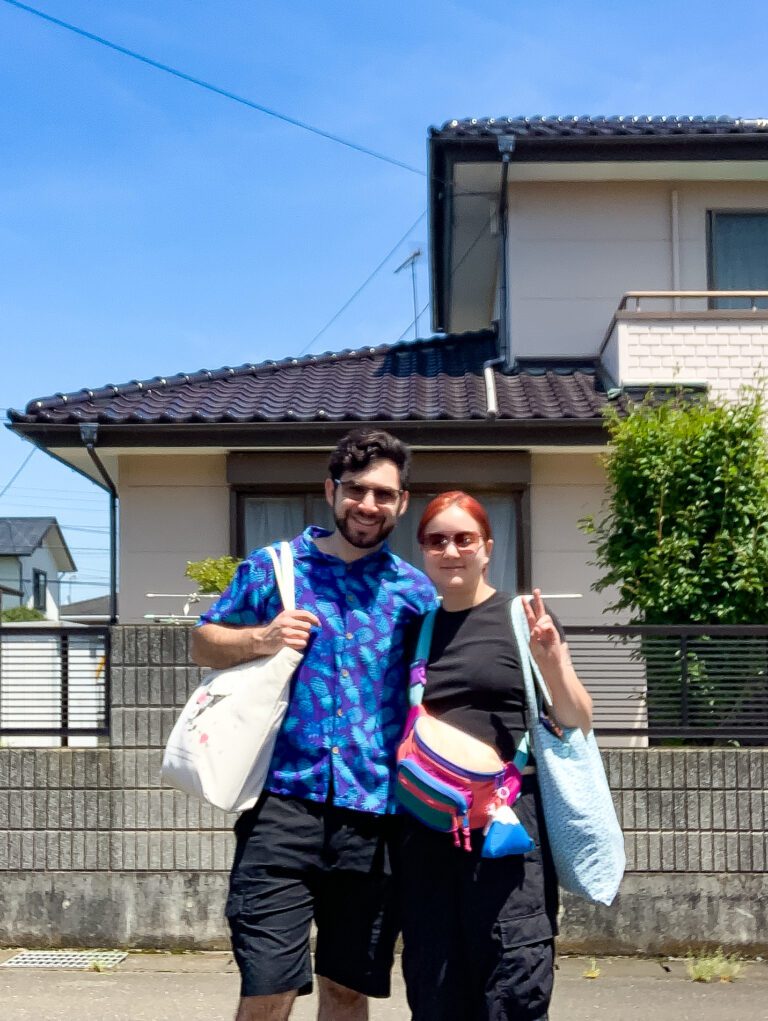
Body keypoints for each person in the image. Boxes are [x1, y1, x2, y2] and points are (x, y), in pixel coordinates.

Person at [191, 429, 436, 1021]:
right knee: (267, 987)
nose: (368, 506)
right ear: (332, 490)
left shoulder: (413, 591)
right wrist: (260, 637)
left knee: (348, 989)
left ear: (402, 503)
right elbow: (203, 640)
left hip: (374, 812)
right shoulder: (273, 568)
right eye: (356, 490)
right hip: (281, 806)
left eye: (384, 494)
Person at [395, 490, 593, 1021]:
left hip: (506, 832)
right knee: (434, 986)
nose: (451, 550)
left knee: (513, 985)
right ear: (423, 552)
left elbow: (577, 717)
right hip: (427, 831)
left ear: (487, 548)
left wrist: (552, 660)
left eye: (465, 539)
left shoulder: (520, 619)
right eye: (437, 540)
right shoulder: (416, 630)